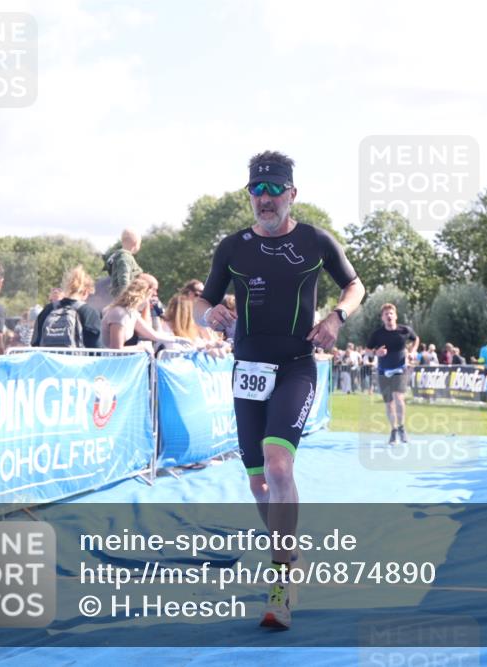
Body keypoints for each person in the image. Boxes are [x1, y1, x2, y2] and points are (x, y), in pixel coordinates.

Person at [194, 150, 365, 630]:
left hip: (295, 364)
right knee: (256, 481)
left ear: (293, 194)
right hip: (248, 367)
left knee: (278, 461)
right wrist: (209, 314)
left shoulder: (316, 240)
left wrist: (336, 316)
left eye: (274, 189)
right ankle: (287, 552)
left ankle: (281, 579)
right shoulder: (232, 246)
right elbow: (201, 301)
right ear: (248, 195)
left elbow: (355, 286)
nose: (265, 199)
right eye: (257, 189)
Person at [367, 302, 419, 445]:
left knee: (399, 398)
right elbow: (368, 350)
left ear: (395, 316)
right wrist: (376, 352)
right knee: (389, 404)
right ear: (382, 318)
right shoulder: (377, 334)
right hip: (383, 371)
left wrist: (413, 351)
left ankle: (401, 427)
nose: (389, 316)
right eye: (386, 314)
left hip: (400, 368)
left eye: (391, 313)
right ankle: (394, 430)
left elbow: (416, 339)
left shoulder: (404, 330)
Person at [102, 277, 184, 351]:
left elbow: (154, 335)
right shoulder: (119, 313)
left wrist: (179, 340)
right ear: (142, 296)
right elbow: (116, 349)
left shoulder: (132, 313)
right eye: (149, 297)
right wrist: (141, 347)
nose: (149, 301)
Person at [32, 266, 103, 348]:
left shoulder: (48, 310)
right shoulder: (89, 312)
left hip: (48, 360)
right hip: (76, 360)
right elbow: (96, 347)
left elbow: (35, 342)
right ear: (85, 292)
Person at [105, 228, 143, 298]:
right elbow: (124, 279)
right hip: (124, 298)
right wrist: (126, 297)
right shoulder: (125, 258)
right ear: (136, 243)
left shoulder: (120, 257)